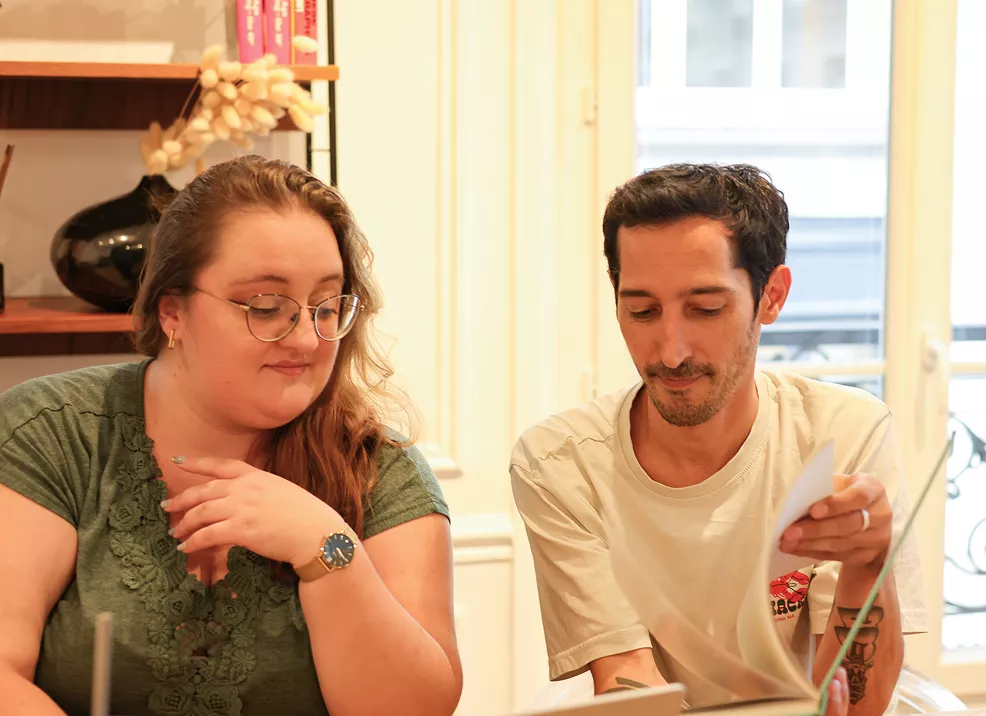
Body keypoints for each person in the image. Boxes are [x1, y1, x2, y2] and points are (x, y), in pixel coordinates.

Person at [0, 156, 462, 716]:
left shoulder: (378, 466)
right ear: (173, 312)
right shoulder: (51, 432)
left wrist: (326, 548)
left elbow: (414, 708)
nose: (307, 339)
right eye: (266, 307)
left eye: (326, 306)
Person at [510, 163, 925, 716]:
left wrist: (869, 564)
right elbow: (628, 679)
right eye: (642, 311)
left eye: (706, 309)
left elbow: (853, 705)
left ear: (771, 297)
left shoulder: (840, 434)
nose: (670, 351)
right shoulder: (561, 464)